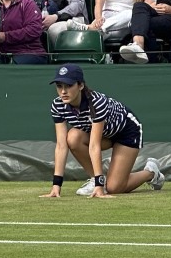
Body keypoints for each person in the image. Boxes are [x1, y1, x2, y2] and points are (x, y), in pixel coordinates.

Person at [40, 63, 163, 198]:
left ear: (80, 86)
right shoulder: (58, 105)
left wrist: (100, 186)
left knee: (114, 188)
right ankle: (95, 179)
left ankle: (151, 172)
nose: (63, 91)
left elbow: (94, 145)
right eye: (59, 86)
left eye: (69, 86)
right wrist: (56, 186)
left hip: (126, 132)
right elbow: (61, 146)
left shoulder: (96, 102)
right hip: (106, 135)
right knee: (72, 137)